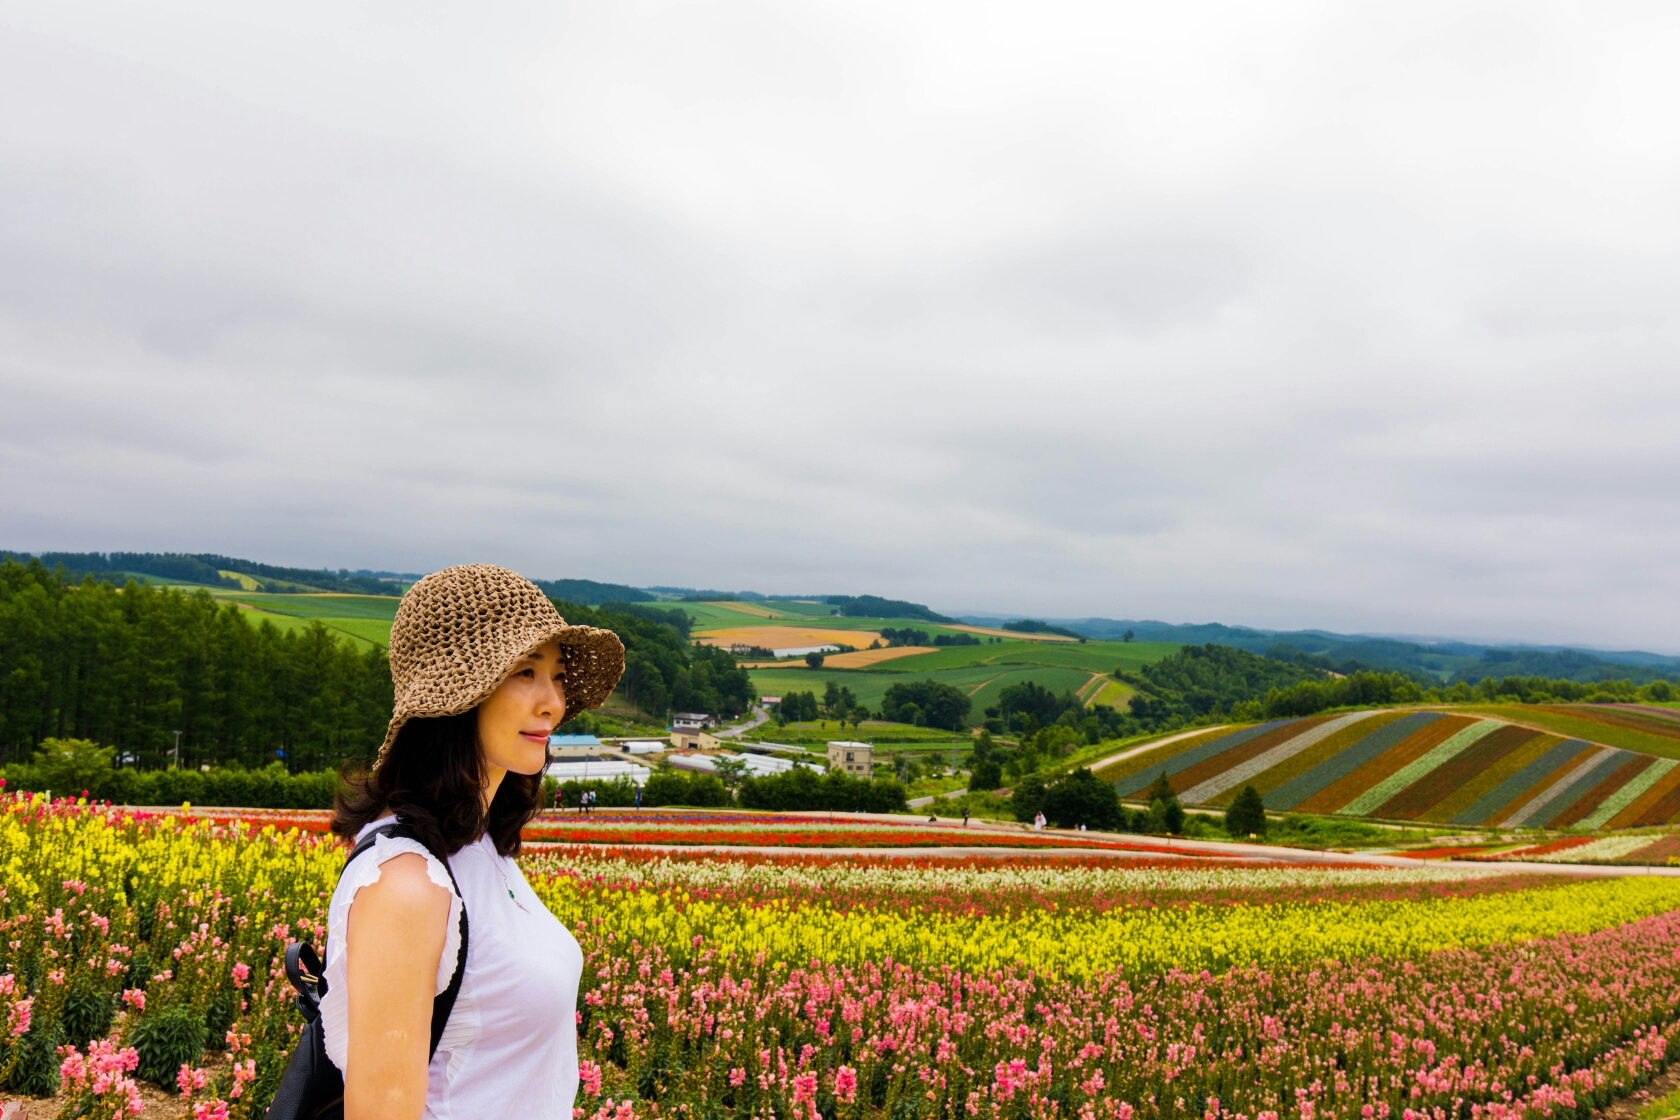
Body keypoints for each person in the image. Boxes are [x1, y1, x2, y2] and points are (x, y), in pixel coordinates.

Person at [324, 564, 625, 1120]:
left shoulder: (478, 846)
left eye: (557, 675)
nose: (553, 703)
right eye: (525, 672)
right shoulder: (406, 885)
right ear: (458, 696)